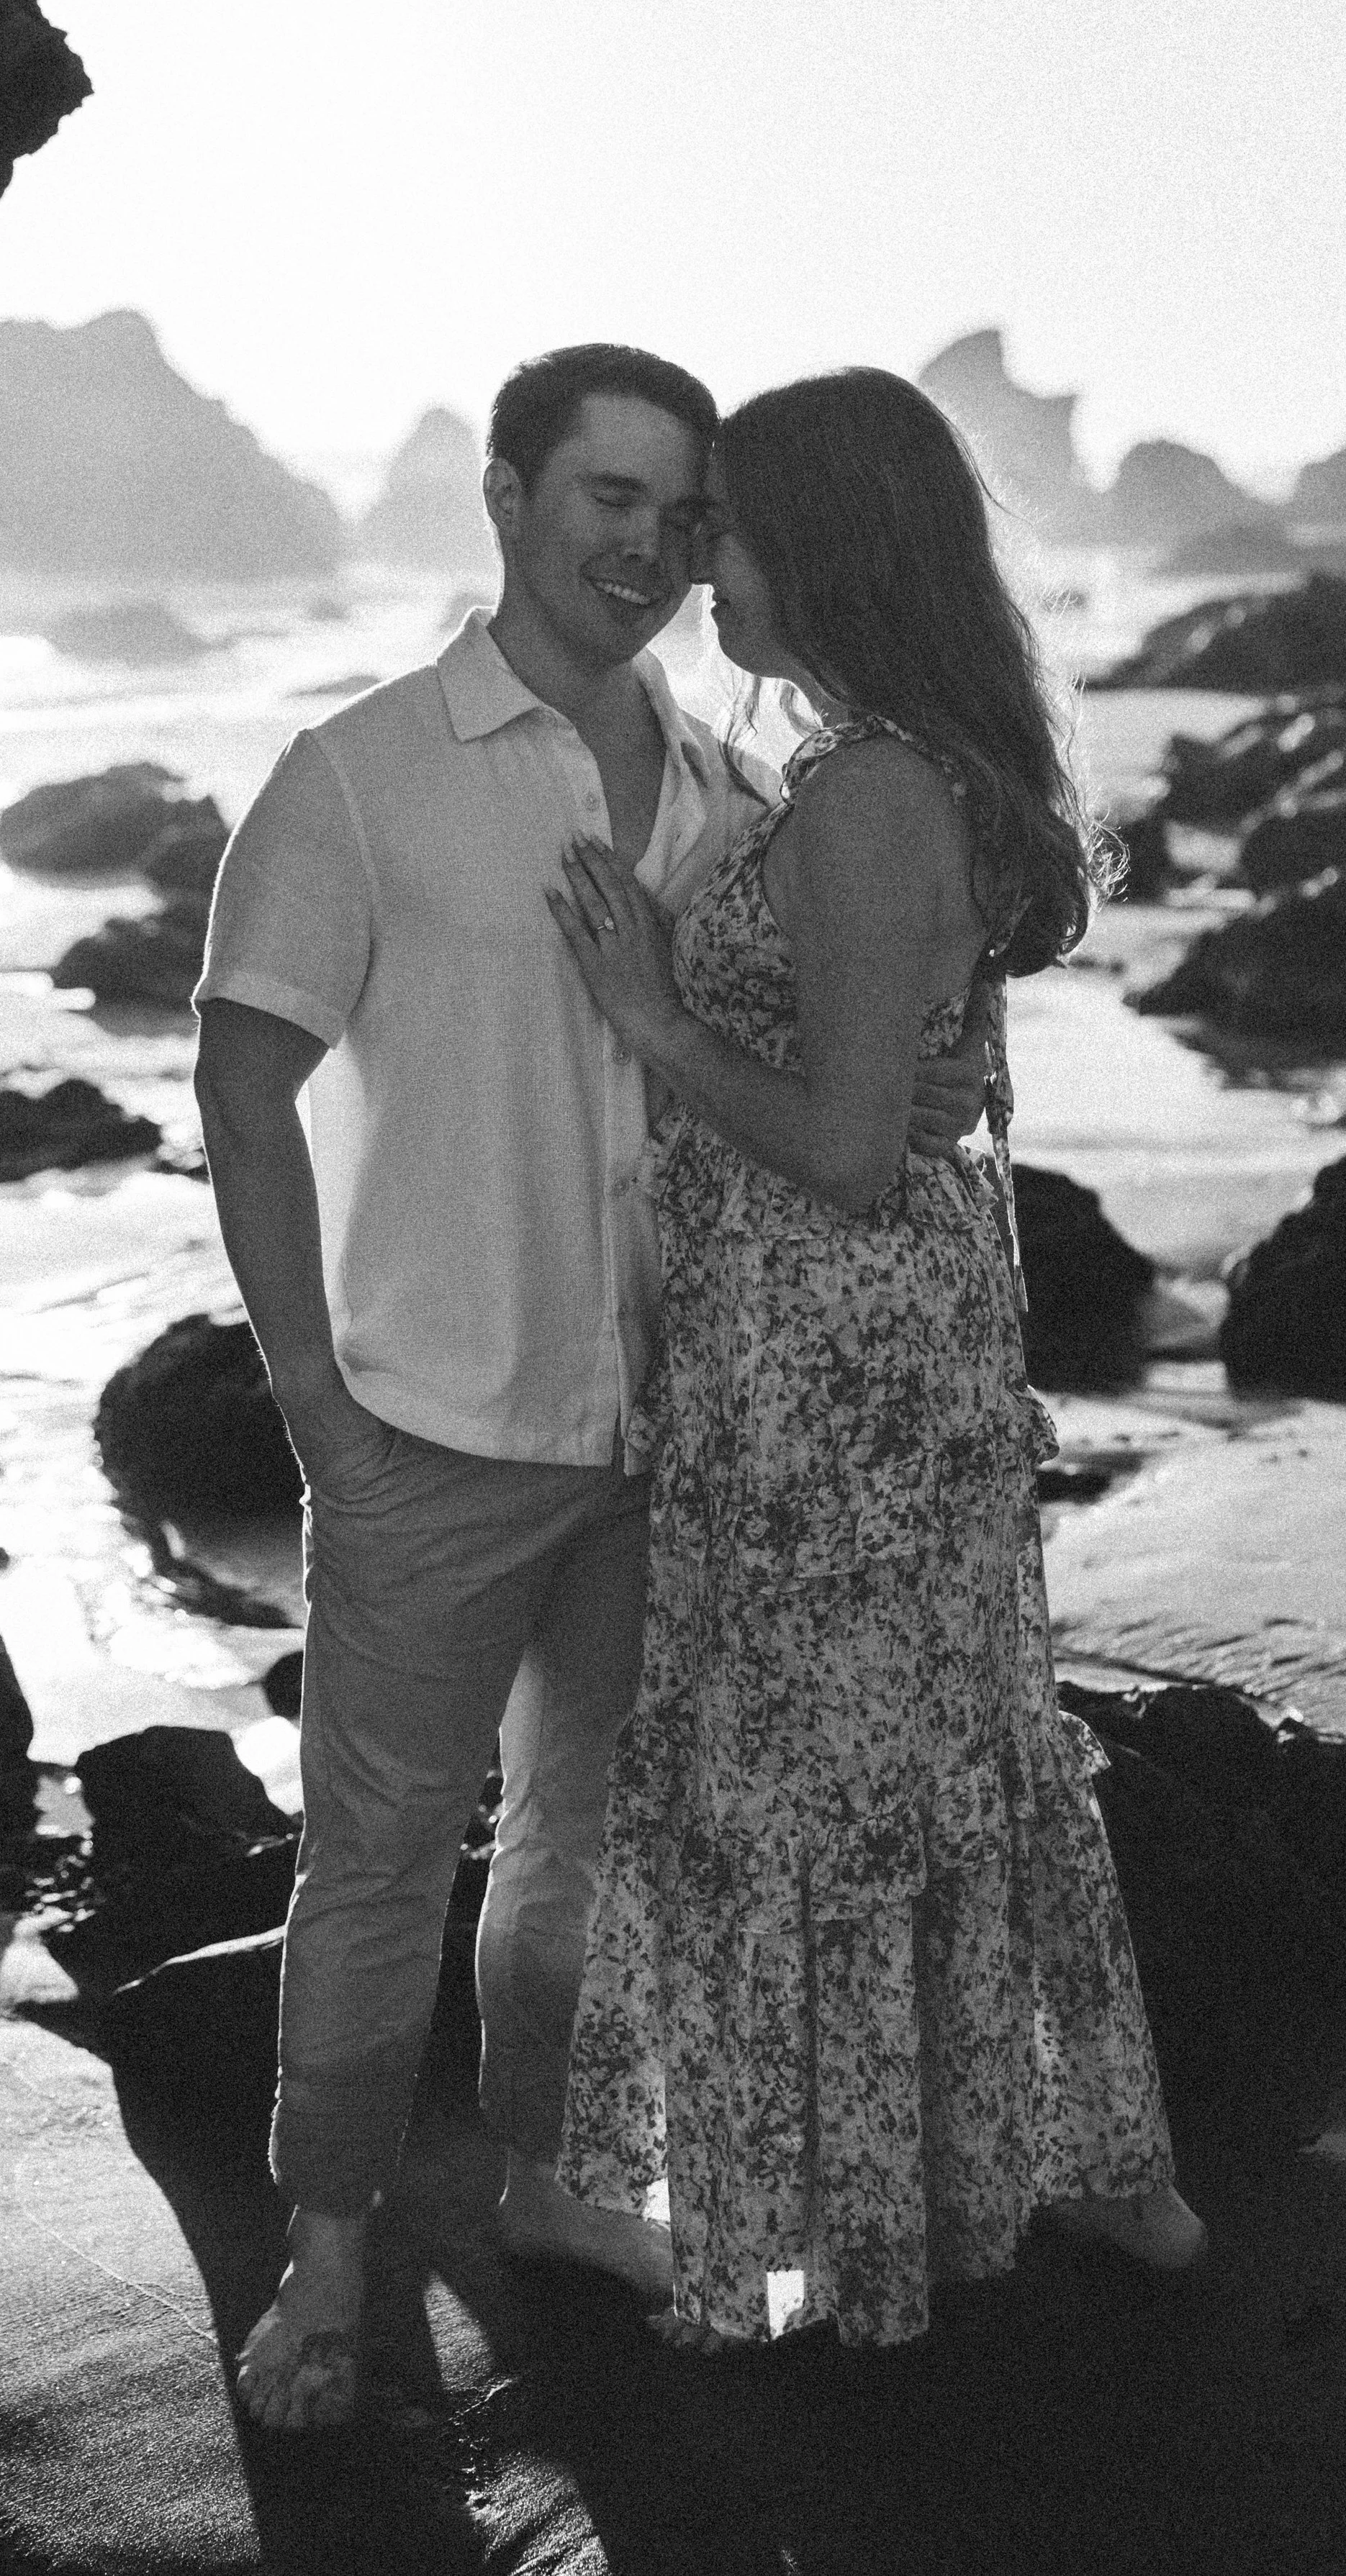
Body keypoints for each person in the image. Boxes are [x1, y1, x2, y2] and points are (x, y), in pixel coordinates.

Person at [192, 345, 987, 2429]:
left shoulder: (740, 788)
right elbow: (242, 1082)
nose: (643, 542)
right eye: (604, 495)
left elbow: (853, 1040)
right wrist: (314, 1407)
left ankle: (552, 2177)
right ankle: (333, 2254)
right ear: (509, 496)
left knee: (585, 1839)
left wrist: (942, 1069)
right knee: (371, 1862)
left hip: (675, 1430)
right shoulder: (360, 773)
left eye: (676, 506)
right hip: (429, 1432)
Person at [547, 366, 1204, 2351]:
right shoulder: (911, 768)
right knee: (926, 1745)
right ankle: (1046, 2177)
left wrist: (652, 1018)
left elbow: (840, 1140)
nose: (693, 562)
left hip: (830, 1356)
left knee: (819, 1769)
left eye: (726, 527)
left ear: (816, 553)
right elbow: (931, 1085)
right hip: (887, 1337)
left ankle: (866, 2225)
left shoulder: (864, 796)